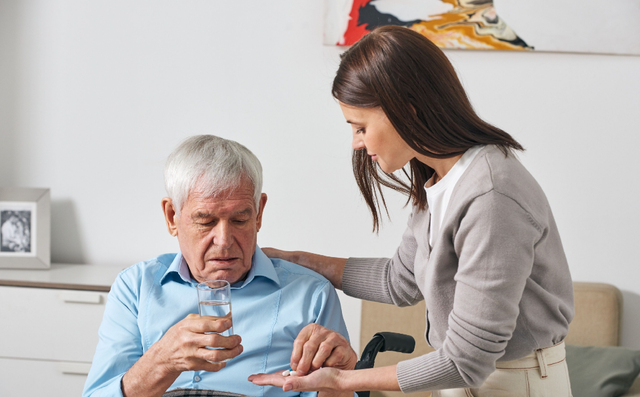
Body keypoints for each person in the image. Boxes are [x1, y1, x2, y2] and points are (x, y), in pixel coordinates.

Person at [249, 26, 574, 396]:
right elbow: (398, 280)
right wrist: (291, 260)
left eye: (360, 127)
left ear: (406, 109)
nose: (356, 143)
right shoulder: (442, 177)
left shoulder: (491, 197)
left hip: (513, 383)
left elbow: (465, 360)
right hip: (467, 382)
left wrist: (343, 379)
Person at [83, 135, 357, 397]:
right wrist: (162, 362)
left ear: (258, 213)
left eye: (239, 220)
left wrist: (339, 383)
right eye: (205, 221)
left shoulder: (312, 295)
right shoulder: (136, 287)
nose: (224, 241)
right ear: (172, 217)